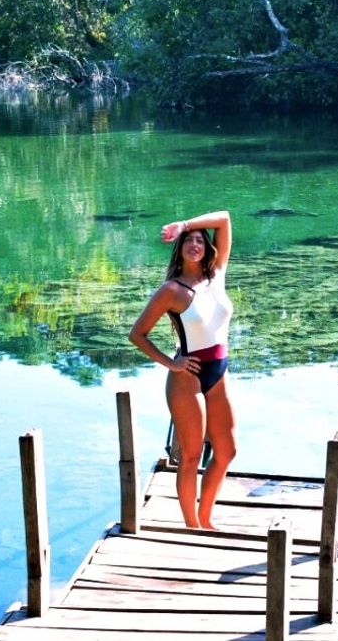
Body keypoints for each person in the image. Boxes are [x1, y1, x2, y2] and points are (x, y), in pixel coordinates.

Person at [129, 210, 236, 530]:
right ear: (180, 250)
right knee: (190, 455)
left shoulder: (217, 274)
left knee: (227, 450)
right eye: (188, 241)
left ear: (207, 247)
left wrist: (185, 225)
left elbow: (225, 219)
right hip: (187, 377)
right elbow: (137, 334)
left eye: (199, 240)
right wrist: (171, 363)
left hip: (219, 371)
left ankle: (206, 517)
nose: (194, 244)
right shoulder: (171, 290)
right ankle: (192, 526)